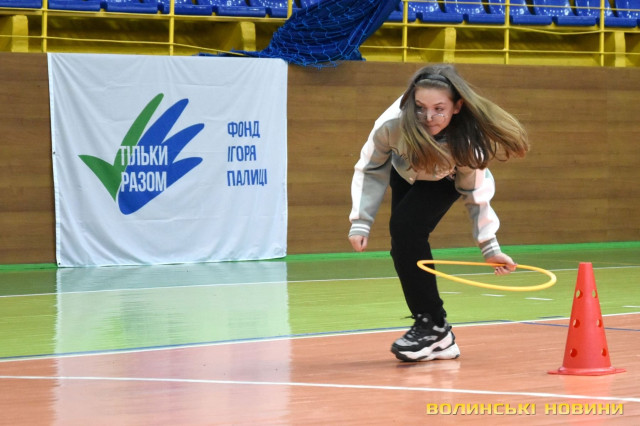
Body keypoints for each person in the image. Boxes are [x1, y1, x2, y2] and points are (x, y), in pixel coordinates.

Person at [348, 64, 529, 362]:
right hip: (405, 170)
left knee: (406, 228)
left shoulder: (468, 143)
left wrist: (489, 246)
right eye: (420, 107)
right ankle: (432, 328)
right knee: (402, 244)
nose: (428, 117)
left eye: (438, 109)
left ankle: (434, 326)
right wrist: (361, 221)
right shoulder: (391, 124)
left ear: (457, 107)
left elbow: (476, 194)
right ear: (410, 102)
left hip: (445, 177)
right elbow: (370, 168)